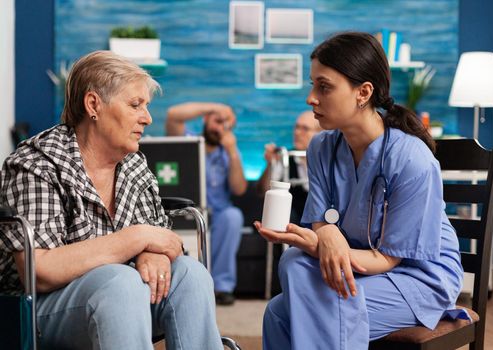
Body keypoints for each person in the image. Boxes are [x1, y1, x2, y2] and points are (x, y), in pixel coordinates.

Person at [254, 32, 467, 349]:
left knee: (285, 313)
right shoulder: (322, 147)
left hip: (416, 279)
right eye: (312, 85)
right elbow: (320, 219)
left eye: (323, 86)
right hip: (360, 268)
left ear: (363, 92)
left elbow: (389, 259)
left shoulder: (411, 160)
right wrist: (325, 235)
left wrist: (320, 245)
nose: (311, 97)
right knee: (292, 264)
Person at [0, 51, 223, 350]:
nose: (148, 117)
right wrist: (136, 239)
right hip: (38, 310)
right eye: (135, 105)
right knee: (119, 282)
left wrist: (154, 253)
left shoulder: (133, 164)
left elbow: (162, 241)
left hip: (125, 297)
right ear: (94, 105)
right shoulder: (36, 163)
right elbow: (40, 271)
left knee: (191, 275)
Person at [166, 102, 247, 305]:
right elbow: (173, 115)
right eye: (217, 121)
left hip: (218, 214)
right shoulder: (187, 141)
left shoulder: (229, 153)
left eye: (226, 125)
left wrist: (233, 152)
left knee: (233, 216)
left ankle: (222, 287)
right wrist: (217, 107)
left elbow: (239, 189)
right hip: (187, 210)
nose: (220, 129)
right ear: (205, 119)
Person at [256, 110, 321, 224]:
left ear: (321, 133)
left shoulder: (330, 160)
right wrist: (270, 164)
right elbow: (264, 192)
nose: (297, 132)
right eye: (296, 127)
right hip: (294, 222)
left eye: (304, 129)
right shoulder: (285, 158)